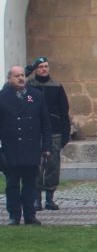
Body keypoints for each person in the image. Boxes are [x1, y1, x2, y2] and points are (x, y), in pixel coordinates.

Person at [1, 66, 51, 225]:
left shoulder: (36, 96)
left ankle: (30, 215)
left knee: (30, 184)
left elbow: (45, 124)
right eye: (17, 76)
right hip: (11, 149)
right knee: (12, 184)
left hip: (31, 148)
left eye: (22, 75)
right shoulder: (2, 97)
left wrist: (46, 147)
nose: (21, 78)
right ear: (9, 79)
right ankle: (14, 216)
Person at [25, 56, 70, 211]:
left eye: (46, 66)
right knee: (36, 165)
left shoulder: (56, 86)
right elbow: (10, 90)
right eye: (41, 67)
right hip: (34, 132)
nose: (44, 69)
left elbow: (64, 110)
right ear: (35, 69)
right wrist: (25, 74)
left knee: (52, 166)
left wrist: (66, 132)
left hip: (54, 132)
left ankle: (50, 198)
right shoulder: (29, 85)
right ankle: (37, 199)